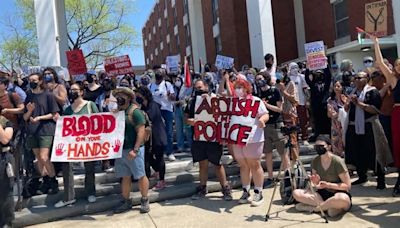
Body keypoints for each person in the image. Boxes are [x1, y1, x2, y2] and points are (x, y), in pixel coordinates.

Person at [185, 79, 233, 201]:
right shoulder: (192, 101)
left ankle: (225, 188)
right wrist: (190, 121)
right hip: (199, 137)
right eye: (196, 88)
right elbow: (186, 117)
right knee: (202, 163)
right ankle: (202, 188)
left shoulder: (215, 99)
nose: (198, 90)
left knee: (217, 163)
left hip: (213, 137)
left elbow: (223, 116)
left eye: (200, 87)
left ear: (207, 86)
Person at [345, 71, 392, 189]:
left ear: (367, 78)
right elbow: (348, 110)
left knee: (375, 153)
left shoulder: (372, 92)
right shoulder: (353, 92)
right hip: (355, 127)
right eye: (355, 78)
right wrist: (348, 105)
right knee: (358, 152)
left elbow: (376, 110)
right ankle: (362, 176)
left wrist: (359, 104)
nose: (356, 80)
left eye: (359, 77)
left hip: (370, 126)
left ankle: (380, 179)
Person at [54, 83, 98, 208]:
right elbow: (65, 127)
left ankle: (90, 192)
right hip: (72, 144)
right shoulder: (68, 110)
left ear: (82, 92)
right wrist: (59, 121)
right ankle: (69, 197)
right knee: (67, 167)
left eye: (75, 90)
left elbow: (99, 122)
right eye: (71, 90)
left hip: (88, 142)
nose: (73, 91)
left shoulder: (90, 105)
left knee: (89, 167)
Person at [230, 79, 269, 206]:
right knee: (243, 165)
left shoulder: (255, 101)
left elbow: (265, 114)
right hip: (237, 138)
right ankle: (246, 191)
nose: (238, 89)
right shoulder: (233, 103)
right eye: (236, 87)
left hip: (254, 137)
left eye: (241, 86)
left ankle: (258, 192)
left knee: (254, 164)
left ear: (247, 88)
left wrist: (262, 120)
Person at [293, 135, 352, 218]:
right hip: (322, 194)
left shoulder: (337, 161)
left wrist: (328, 185)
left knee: (342, 199)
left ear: (328, 147)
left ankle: (315, 209)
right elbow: (316, 184)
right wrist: (315, 181)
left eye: (321, 146)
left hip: (338, 193)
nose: (318, 148)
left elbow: (347, 186)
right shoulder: (315, 161)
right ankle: (327, 207)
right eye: (316, 146)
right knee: (296, 193)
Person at [112, 87, 150, 214]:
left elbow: (141, 131)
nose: (119, 98)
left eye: (122, 95)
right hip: (120, 150)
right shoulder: (118, 112)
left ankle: (144, 200)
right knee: (125, 177)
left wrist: (136, 149)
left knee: (140, 175)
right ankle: (126, 201)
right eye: (117, 96)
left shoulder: (135, 112)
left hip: (134, 150)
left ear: (129, 98)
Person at [371, 35, 400, 195]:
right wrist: (376, 43)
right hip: (398, 114)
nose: (399, 66)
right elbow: (381, 63)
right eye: (397, 64)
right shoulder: (394, 80)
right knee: (398, 146)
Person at [23, 73, 60, 194]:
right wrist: (29, 111)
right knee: (38, 158)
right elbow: (25, 117)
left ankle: (53, 180)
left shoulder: (48, 95)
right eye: (30, 80)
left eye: (34, 80)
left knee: (44, 157)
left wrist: (39, 118)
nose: (31, 82)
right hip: (32, 130)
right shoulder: (29, 95)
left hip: (45, 129)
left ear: (40, 81)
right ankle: (46, 180)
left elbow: (54, 114)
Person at [256, 72, 289, 188]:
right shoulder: (258, 93)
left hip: (276, 124)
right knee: (267, 152)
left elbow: (280, 109)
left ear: (266, 78)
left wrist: (266, 106)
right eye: (257, 79)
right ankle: (270, 177)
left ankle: (287, 176)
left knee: (283, 152)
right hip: (265, 126)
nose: (258, 81)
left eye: (260, 79)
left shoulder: (274, 91)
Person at [135, 86, 167, 190]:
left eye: (138, 95)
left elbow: (149, 118)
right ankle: (156, 171)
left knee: (159, 157)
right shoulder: (143, 107)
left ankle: (162, 180)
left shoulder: (153, 105)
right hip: (149, 137)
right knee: (148, 156)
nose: (137, 97)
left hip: (158, 135)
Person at [148, 68, 176, 161]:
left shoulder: (167, 85)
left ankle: (170, 152)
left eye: (160, 73)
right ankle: (159, 152)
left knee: (169, 131)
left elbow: (173, 98)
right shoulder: (150, 86)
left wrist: (170, 95)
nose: (158, 75)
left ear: (163, 76)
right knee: (157, 132)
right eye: (157, 73)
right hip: (156, 112)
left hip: (167, 110)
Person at [305, 67, 332, 140]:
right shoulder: (313, 85)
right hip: (316, 106)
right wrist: (307, 69)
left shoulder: (326, 85)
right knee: (317, 121)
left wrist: (326, 66)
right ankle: (317, 134)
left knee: (326, 120)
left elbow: (329, 76)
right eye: (317, 74)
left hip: (324, 106)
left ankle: (328, 134)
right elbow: (307, 79)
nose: (318, 76)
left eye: (320, 74)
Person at [288, 62, 309, 144]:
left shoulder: (301, 77)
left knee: (303, 121)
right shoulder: (288, 78)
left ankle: (305, 137)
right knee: (293, 122)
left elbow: (305, 89)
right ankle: (295, 138)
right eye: (293, 68)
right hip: (292, 104)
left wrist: (307, 99)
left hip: (301, 102)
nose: (295, 69)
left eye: (296, 67)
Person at [0, 112, 15, 227]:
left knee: (5, 191)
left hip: (3, 158)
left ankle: (6, 222)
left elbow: (5, 139)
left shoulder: (6, 122)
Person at [327, 81, 348, 157]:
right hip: (335, 125)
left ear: (342, 87)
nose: (336, 88)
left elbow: (348, 109)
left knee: (346, 141)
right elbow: (330, 114)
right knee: (336, 143)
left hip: (345, 123)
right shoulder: (330, 100)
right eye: (335, 86)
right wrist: (340, 112)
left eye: (338, 86)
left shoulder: (346, 98)